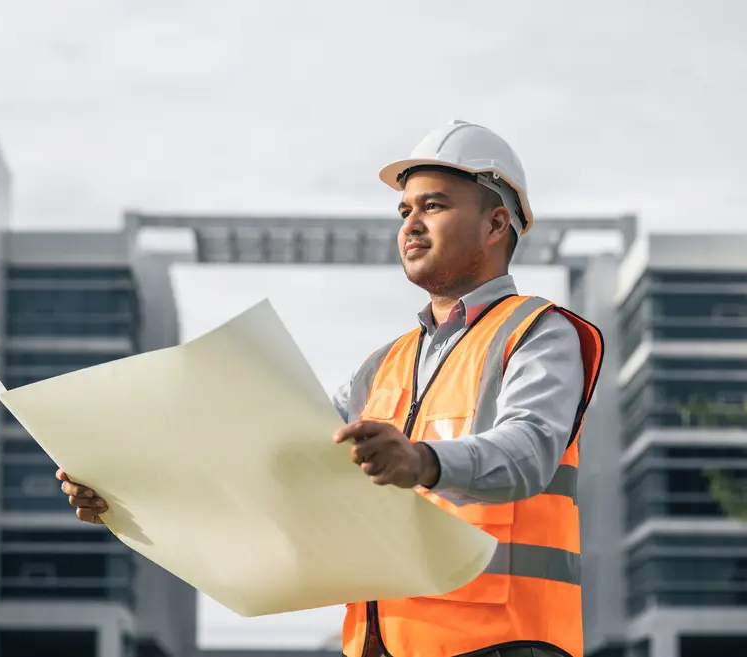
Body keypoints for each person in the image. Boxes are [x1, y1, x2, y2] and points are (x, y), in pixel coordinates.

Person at [58, 119, 604, 657]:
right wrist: (130, 492)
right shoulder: (384, 365)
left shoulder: (538, 333)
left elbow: (528, 451)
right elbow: (279, 462)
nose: (411, 223)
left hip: (503, 643)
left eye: (433, 206)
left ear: (495, 224)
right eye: (404, 210)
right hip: (383, 646)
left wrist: (421, 461)